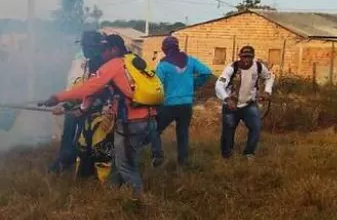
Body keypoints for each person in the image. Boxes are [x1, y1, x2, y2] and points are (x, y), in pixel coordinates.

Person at [43, 34, 155, 197]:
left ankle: (138, 200)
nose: (85, 49)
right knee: (112, 156)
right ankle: (110, 191)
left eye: (89, 46)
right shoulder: (132, 60)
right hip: (141, 116)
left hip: (112, 117)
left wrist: (61, 100)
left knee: (109, 155)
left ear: (112, 49)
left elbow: (90, 89)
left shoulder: (110, 64)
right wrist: (73, 106)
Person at [49, 31, 107, 174]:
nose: (86, 49)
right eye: (84, 46)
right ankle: (63, 162)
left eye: (89, 46)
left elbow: (94, 91)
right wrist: (65, 104)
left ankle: (80, 168)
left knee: (83, 139)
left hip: (91, 109)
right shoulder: (81, 61)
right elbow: (77, 85)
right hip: (75, 102)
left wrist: (81, 107)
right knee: (68, 135)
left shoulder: (103, 63)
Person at [150, 36, 213, 167]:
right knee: (183, 133)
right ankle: (183, 163)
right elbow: (207, 72)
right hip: (186, 105)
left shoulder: (163, 65)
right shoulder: (190, 61)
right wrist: (194, 84)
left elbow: (157, 86)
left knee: (154, 130)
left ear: (165, 49)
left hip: (168, 105)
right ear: (177, 47)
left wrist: (153, 105)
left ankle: (158, 156)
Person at [214, 45, 273, 160]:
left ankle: (249, 153)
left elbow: (269, 77)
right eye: (244, 57)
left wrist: (267, 91)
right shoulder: (232, 68)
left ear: (253, 57)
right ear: (240, 57)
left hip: (249, 104)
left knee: (256, 127)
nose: (246, 60)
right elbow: (219, 85)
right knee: (228, 130)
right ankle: (227, 155)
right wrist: (227, 99)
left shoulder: (258, 67)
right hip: (231, 105)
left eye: (249, 57)